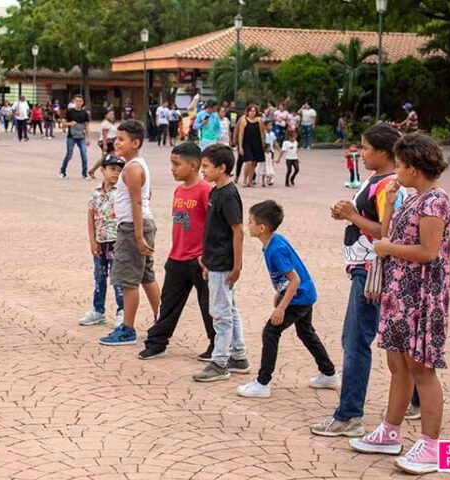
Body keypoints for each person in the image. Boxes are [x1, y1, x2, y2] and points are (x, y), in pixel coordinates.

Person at [350, 133, 450, 476]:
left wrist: (387, 249)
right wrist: (392, 204)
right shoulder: (413, 198)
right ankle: (390, 431)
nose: (396, 172)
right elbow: (391, 232)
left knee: (422, 369)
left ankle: (430, 444)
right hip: (400, 294)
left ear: (414, 168)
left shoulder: (435, 202)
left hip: (422, 296)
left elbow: (428, 251)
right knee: (398, 365)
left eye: (400, 166)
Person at [312, 123, 405, 437]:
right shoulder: (377, 180)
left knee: (355, 341)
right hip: (366, 266)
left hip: (372, 270)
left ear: (382, 152)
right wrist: (347, 212)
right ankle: (415, 399)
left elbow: (386, 232)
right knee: (393, 340)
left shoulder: (389, 185)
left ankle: (349, 414)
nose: (361, 153)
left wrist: (352, 216)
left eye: (365, 148)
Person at [236, 200, 337, 398]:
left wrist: (281, 308)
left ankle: (262, 383)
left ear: (262, 227)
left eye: (250, 222)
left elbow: (294, 279)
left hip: (299, 297)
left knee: (270, 332)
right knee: (306, 333)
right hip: (304, 294)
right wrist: (280, 293)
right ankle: (329, 373)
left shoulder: (275, 249)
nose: (248, 225)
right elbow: (289, 278)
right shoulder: (273, 241)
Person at [138, 143, 215, 360]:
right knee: (168, 303)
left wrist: (207, 256)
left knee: (208, 306)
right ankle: (157, 342)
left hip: (199, 260)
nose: (172, 168)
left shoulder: (206, 191)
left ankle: (216, 345)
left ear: (193, 166)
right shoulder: (179, 190)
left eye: (176, 164)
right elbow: (181, 223)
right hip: (177, 258)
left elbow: (212, 226)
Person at [99, 120, 161, 346]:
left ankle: (127, 329)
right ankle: (161, 319)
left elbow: (136, 202)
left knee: (128, 280)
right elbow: (147, 194)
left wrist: (137, 235)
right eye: (117, 138)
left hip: (133, 226)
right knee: (146, 275)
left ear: (136, 143)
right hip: (143, 222)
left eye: (122, 139)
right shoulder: (137, 165)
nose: (117, 142)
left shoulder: (133, 168)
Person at [193, 144, 249, 382]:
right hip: (214, 260)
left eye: (206, 166)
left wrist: (237, 266)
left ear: (222, 167)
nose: (202, 171)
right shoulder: (216, 191)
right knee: (229, 308)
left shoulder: (228, 195)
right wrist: (205, 258)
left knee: (220, 313)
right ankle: (238, 355)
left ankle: (220, 362)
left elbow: (238, 232)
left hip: (223, 263)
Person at [79, 154, 125, 327]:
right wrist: (92, 241)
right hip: (100, 241)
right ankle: (98, 310)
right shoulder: (96, 193)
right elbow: (91, 217)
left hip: (117, 241)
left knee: (118, 278)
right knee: (99, 276)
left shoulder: (122, 192)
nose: (116, 174)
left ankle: (122, 311)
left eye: (120, 171)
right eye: (112, 169)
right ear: (102, 170)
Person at [59, 95, 91, 179]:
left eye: (80, 101)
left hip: (81, 137)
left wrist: (88, 138)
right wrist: (70, 124)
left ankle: (84, 173)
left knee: (84, 155)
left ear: (82, 102)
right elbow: (64, 124)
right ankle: (62, 171)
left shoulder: (85, 113)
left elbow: (87, 126)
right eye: (77, 101)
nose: (78, 103)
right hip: (71, 137)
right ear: (74, 102)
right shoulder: (70, 112)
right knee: (69, 155)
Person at [237, 104, 266, 188]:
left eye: (254, 111)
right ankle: (244, 180)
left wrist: (263, 143)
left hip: (256, 143)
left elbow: (262, 132)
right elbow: (241, 134)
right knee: (248, 161)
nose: (252, 113)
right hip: (247, 143)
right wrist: (240, 146)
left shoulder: (259, 120)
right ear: (248, 111)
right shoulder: (244, 120)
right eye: (251, 111)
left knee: (254, 162)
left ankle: (250, 181)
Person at [87, 109, 118, 178]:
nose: (112, 116)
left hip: (110, 142)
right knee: (112, 157)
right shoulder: (106, 124)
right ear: (106, 115)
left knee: (104, 158)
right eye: (110, 114)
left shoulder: (110, 123)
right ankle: (108, 171)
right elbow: (104, 135)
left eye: (113, 114)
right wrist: (105, 145)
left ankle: (92, 170)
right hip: (108, 142)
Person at [258, 121, 276, 187]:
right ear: (265, 126)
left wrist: (279, 150)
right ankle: (263, 181)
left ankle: (270, 179)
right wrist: (264, 148)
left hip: (271, 151)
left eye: (271, 125)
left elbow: (274, 142)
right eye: (269, 125)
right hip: (264, 152)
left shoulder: (272, 134)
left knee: (271, 165)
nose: (271, 127)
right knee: (263, 167)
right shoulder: (263, 134)